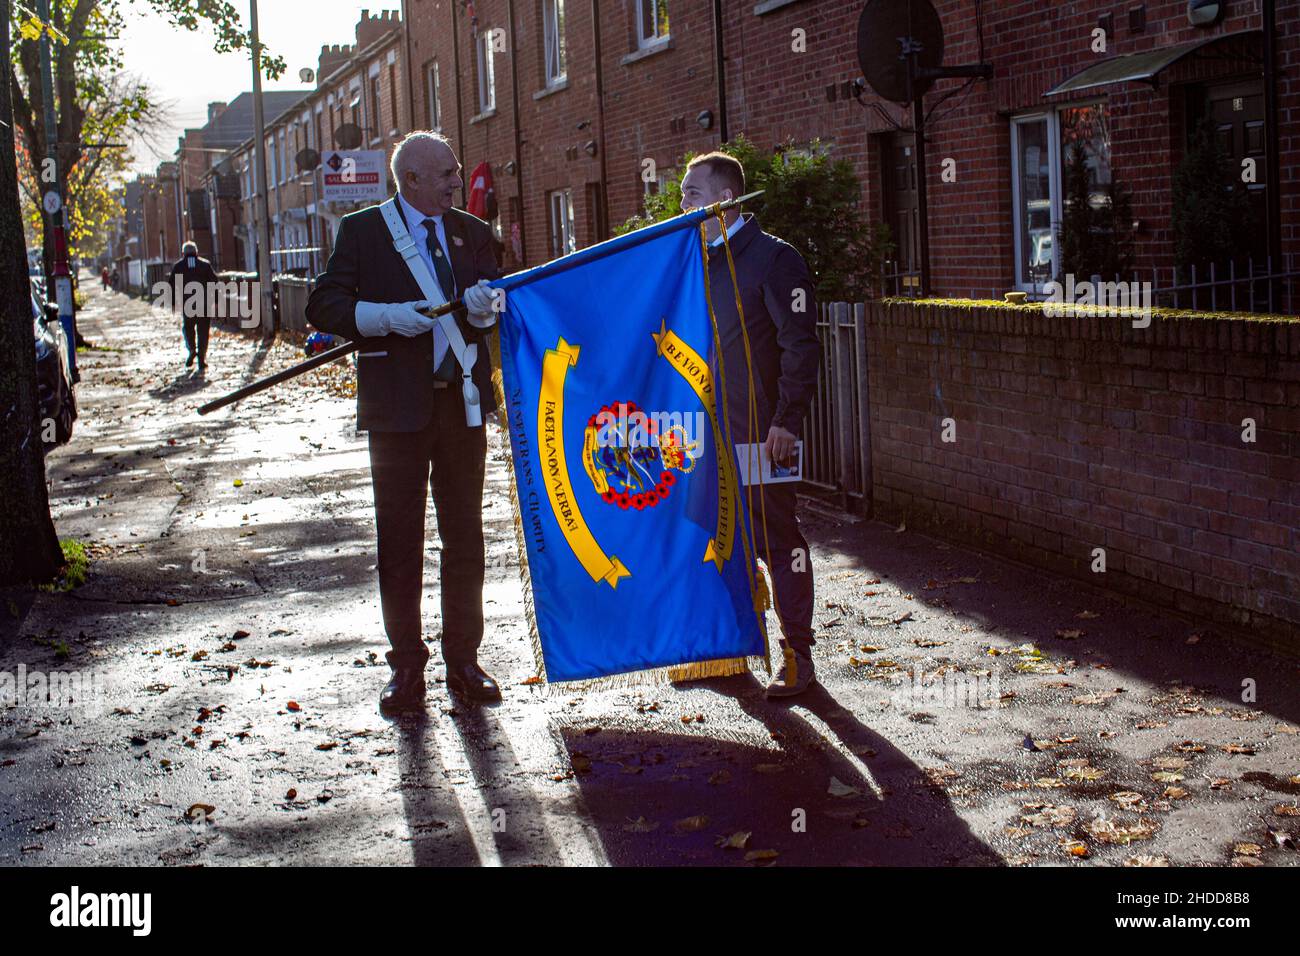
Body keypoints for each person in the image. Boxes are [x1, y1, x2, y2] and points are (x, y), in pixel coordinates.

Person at [306, 131, 502, 713]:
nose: (455, 182)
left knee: (464, 537)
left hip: (462, 405)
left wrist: (487, 309)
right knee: (400, 543)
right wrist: (386, 317)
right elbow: (324, 305)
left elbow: (496, 303)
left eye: (457, 172)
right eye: (445, 173)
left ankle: (464, 660)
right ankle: (407, 667)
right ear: (410, 178)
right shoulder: (364, 232)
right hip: (397, 413)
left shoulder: (471, 231)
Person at [680, 152, 821, 698]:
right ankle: (729, 647)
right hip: (705, 435)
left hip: (763, 432)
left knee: (776, 538)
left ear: (722, 200)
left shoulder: (773, 259)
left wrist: (788, 421)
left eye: (691, 193)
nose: (682, 203)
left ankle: (797, 656)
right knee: (716, 536)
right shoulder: (696, 260)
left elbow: (800, 345)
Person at [168, 240, 219, 372]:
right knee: (203, 331)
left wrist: (173, 302)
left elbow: (171, 285)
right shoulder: (205, 265)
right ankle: (201, 358)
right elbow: (215, 283)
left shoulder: (178, 266)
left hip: (187, 304)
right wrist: (217, 300)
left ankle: (192, 349)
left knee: (188, 328)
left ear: (183, 253)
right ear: (196, 252)